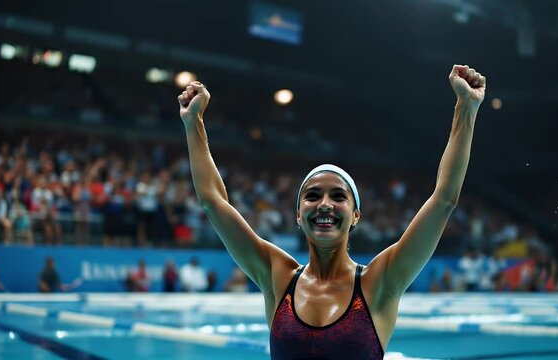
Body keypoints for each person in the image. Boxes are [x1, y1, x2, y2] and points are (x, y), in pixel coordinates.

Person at [177, 64, 486, 359]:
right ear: (299, 215)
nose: (324, 204)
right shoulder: (278, 276)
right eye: (312, 196)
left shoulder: (380, 282)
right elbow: (213, 202)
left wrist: (466, 108)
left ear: (355, 216)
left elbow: (444, 198)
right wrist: (194, 123)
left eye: (338, 196)